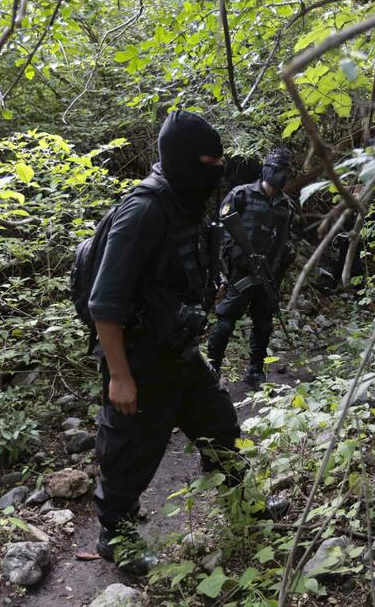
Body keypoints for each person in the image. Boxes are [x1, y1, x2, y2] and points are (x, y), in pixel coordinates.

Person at [87, 110, 244, 570]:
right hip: (138, 358)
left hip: (179, 350)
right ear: (181, 160)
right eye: (207, 161)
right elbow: (104, 303)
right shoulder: (144, 210)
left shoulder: (186, 201)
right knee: (130, 451)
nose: (216, 170)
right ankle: (116, 538)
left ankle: (243, 506)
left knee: (218, 423)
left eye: (220, 162)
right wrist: (119, 376)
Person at [206, 147, 296, 387]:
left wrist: (286, 257)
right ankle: (212, 368)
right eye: (276, 169)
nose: (280, 175)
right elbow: (222, 230)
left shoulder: (286, 206)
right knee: (226, 321)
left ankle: (255, 371)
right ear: (266, 169)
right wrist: (233, 257)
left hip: (269, 274)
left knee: (264, 323)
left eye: (284, 171)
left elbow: (286, 239)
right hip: (241, 271)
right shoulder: (241, 195)